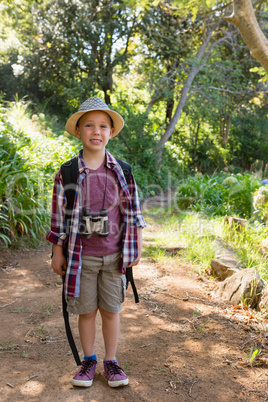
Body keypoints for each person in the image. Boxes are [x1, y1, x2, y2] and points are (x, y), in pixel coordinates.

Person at [46, 97, 146, 388]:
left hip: (115, 256)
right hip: (80, 257)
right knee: (86, 310)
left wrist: (136, 246)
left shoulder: (122, 171)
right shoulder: (67, 173)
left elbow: (134, 212)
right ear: (78, 131)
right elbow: (58, 219)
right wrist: (56, 252)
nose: (96, 131)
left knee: (111, 311)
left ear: (111, 132)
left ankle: (111, 361)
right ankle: (88, 360)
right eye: (88, 125)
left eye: (103, 126)